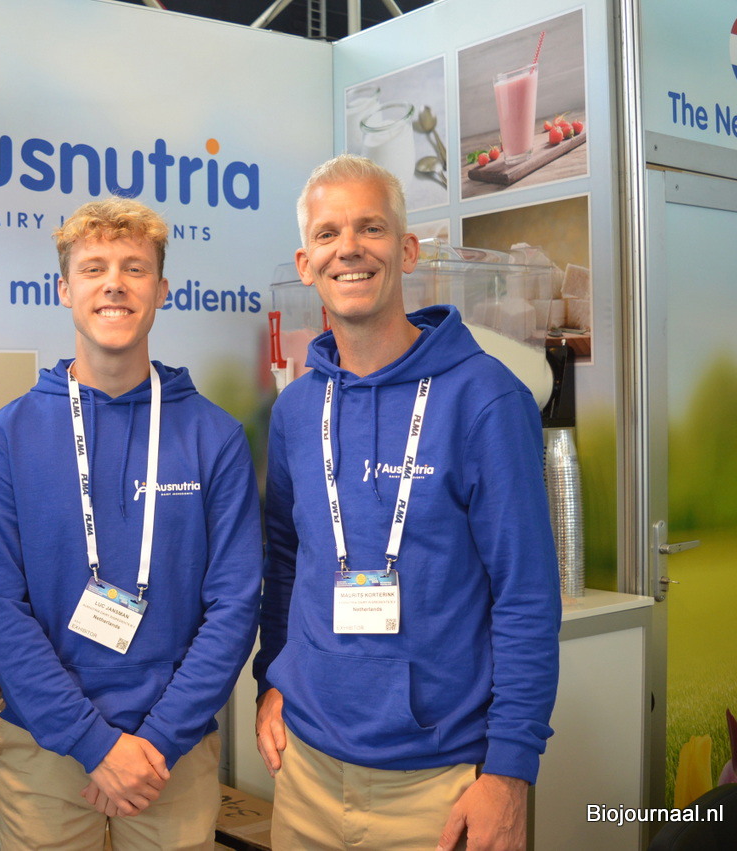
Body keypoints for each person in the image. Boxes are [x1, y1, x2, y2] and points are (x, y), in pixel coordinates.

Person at [254, 155, 561, 851]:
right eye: (328, 234)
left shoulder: (486, 399)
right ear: (306, 264)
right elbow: (286, 561)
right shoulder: (297, 409)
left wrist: (509, 771)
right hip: (304, 770)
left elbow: (526, 595)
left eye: (371, 228)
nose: (349, 248)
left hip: (440, 784)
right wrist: (270, 679)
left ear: (407, 249)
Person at [0, 198, 262, 850]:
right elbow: (0, 606)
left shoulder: (214, 436)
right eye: (94, 267)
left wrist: (157, 739)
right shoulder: (11, 434)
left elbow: (235, 606)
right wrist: (92, 742)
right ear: (64, 288)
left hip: (172, 754)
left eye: (134, 268)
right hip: (46, 749)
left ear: (162, 288)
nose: (115, 284)